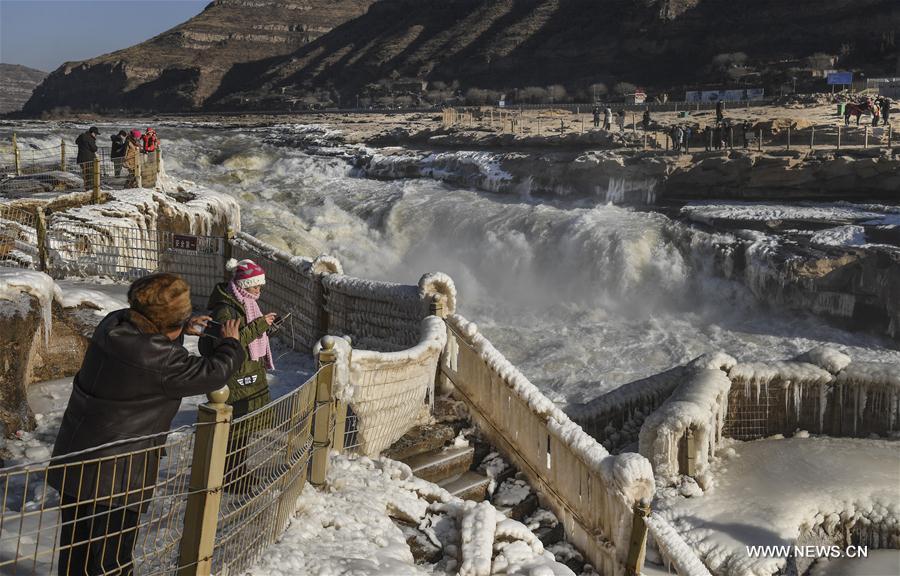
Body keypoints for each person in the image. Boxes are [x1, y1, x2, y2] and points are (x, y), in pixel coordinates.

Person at [49, 273, 244, 576]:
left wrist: (180, 328)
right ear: (170, 321)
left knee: (76, 552)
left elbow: (151, 340)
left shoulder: (112, 325)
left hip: (76, 459)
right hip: (116, 477)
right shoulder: (161, 361)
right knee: (109, 562)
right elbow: (214, 372)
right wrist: (230, 343)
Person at [201, 259, 277, 491]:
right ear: (244, 285)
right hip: (236, 376)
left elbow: (245, 339)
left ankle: (238, 473)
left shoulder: (245, 303)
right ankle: (231, 478)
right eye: (256, 286)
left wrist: (265, 329)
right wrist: (259, 326)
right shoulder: (228, 309)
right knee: (234, 430)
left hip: (246, 373)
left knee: (241, 430)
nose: (259, 291)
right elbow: (231, 343)